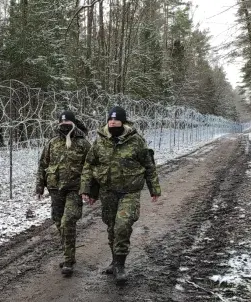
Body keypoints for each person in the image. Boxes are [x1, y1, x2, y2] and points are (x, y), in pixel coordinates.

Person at [79, 106, 161, 285]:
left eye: (116, 119)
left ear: (123, 121)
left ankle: (120, 266)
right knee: (111, 227)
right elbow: (89, 165)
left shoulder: (136, 141)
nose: (113, 122)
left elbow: (148, 165)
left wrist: (154, 188)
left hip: (129, 192)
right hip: (107, 192)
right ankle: (115, 261)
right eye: (110, 119)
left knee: (122, 225)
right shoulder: (100, 141)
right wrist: (86, 188)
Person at [35, 110, 91, 276]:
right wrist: (39, 187)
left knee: (68, 221)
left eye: (68, 123)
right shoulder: (52, 143)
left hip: (75, 189)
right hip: (55, 189)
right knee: (59, 221)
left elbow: (90, 168)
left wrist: (87, 189)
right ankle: (70, 254)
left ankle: (67, 261)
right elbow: (43, 165)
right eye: (62, 123)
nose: (65, 126)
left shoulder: (83, 144)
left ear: (74, 124)